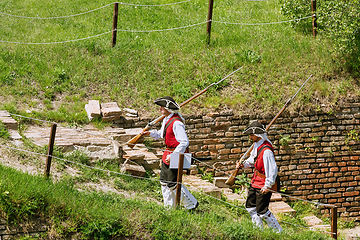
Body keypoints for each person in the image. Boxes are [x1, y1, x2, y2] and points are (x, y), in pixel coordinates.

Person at [142, 96, 198, 210]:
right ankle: (169, 208)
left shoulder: (177, 123)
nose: (160, 109)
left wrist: (174, 155)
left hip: (176, 155)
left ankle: (191, 204)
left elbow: (184, 142)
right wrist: (149, 134)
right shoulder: (166, 119)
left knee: (173, 183)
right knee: (164, 182)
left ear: (168, 108)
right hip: (168, 153)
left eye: (162, 107)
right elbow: (160, 134)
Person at [236, 121, 282, 233]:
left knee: (262, 211)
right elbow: (253, 160)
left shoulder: (266, 151)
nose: (250, 137)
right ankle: (258, 231)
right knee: (250, 207)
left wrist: (267, 185)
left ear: (257, 135)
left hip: (264, 183)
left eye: (251, 135)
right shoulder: (257, 145)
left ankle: (278, 232)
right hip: (255, 181)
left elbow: (272, 170)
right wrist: (244, 164)